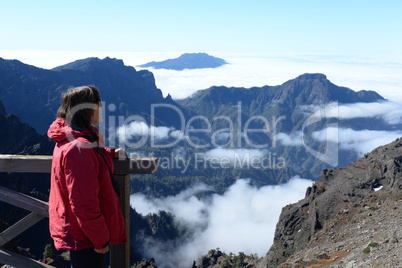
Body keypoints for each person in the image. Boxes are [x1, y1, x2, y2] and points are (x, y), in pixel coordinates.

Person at [47, 85, 127, 268]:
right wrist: (100, 239)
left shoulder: (73, 138)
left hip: (80, 231)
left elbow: (88, 160)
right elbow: (83, 202)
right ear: (87, 108)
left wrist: (109, 153)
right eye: (98, 104)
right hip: (86, 237)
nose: (102, 108)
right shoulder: (78, 149)